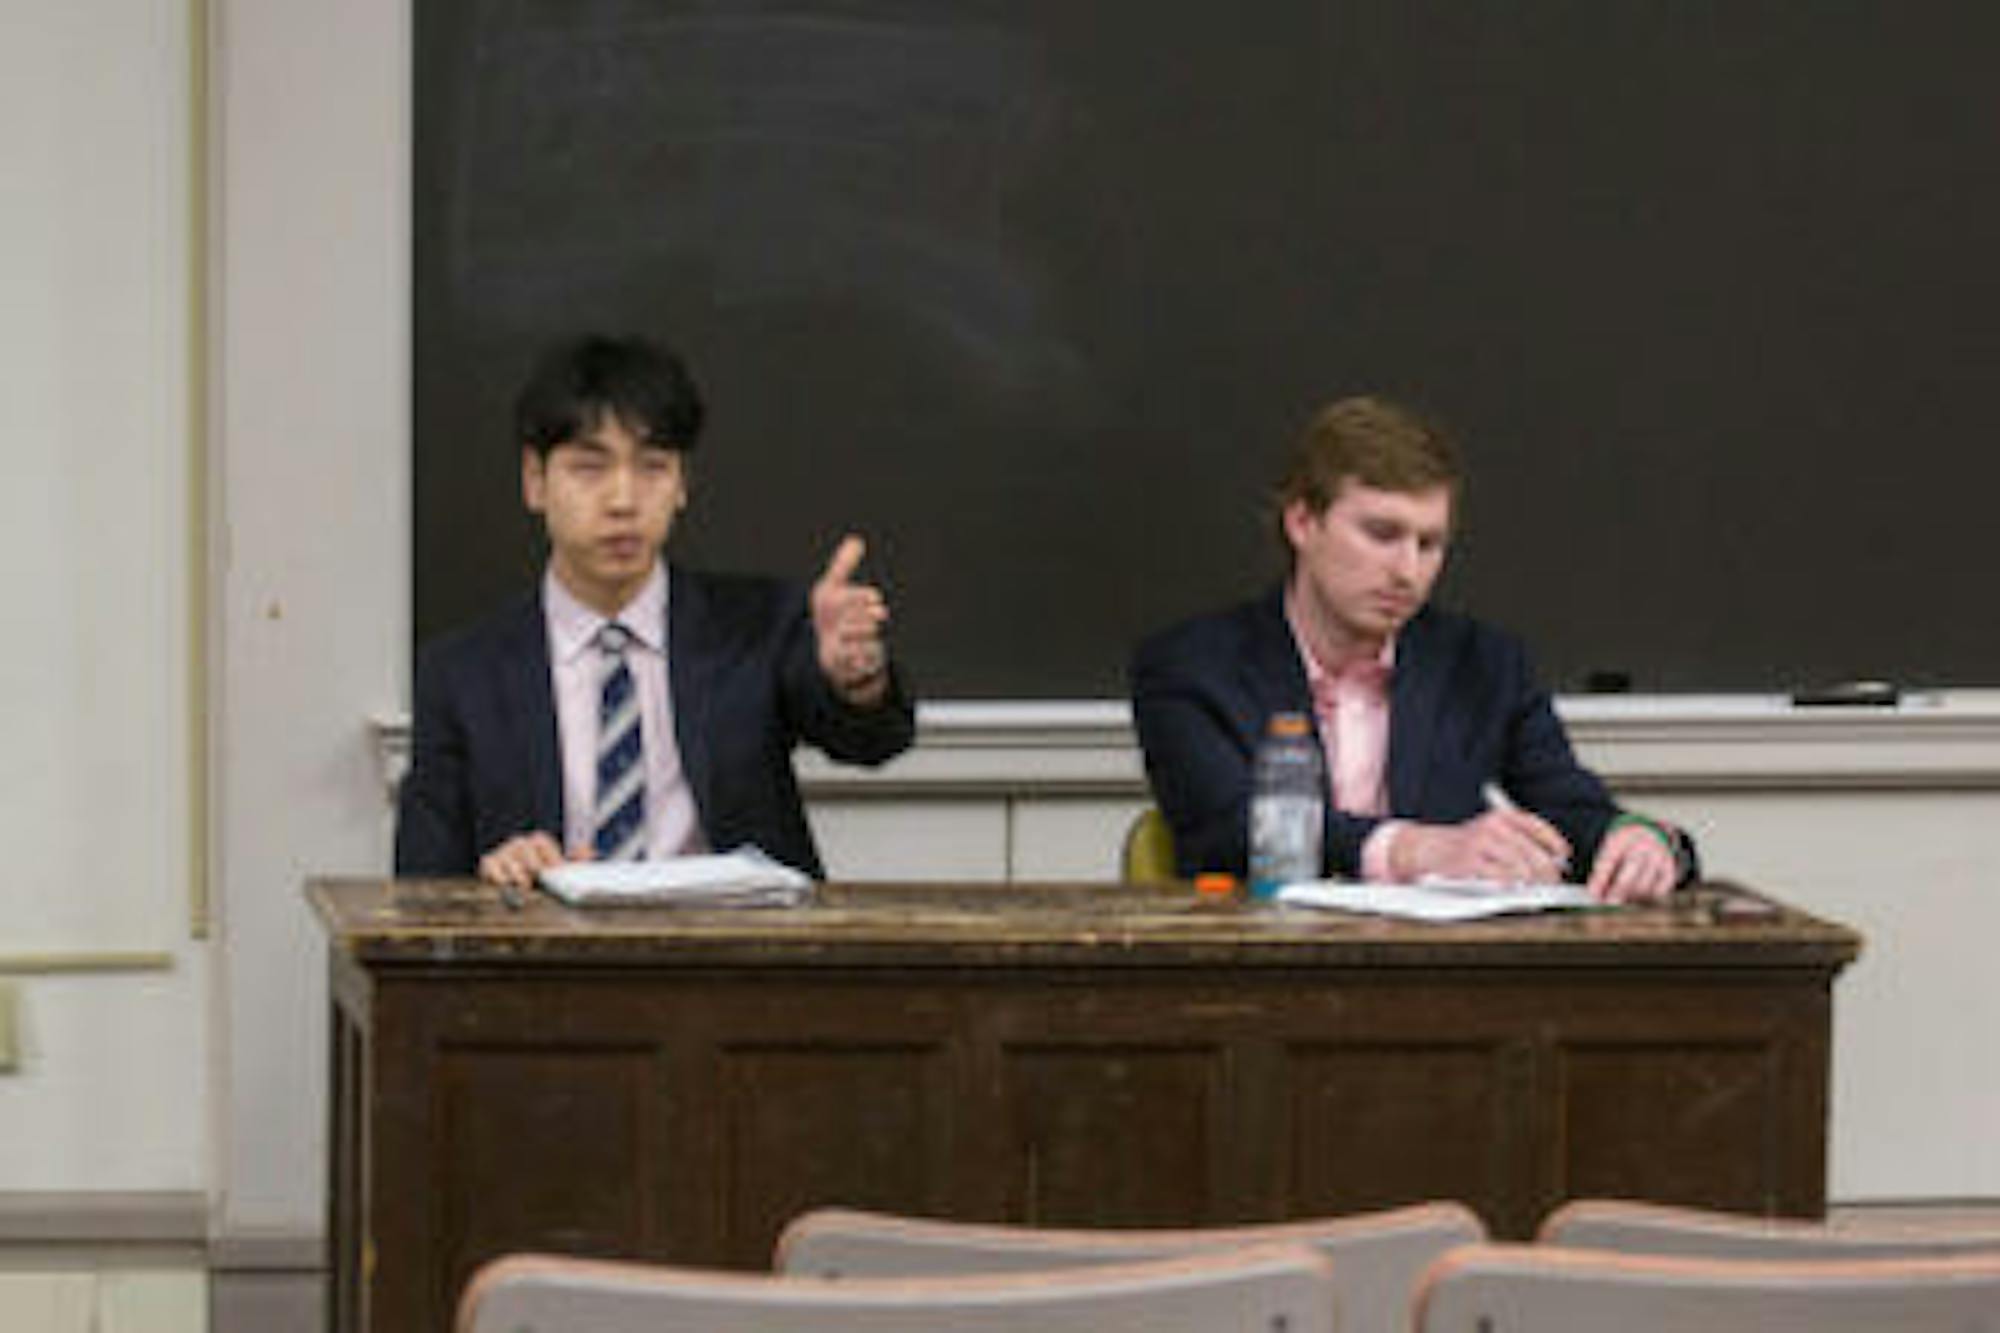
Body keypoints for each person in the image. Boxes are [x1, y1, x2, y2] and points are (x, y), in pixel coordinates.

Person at [1129, 395, 1695, 902]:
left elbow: (1568, 807)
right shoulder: (1190, 666)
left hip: (1436, 986)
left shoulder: (1483, 662)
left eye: (1430, 544)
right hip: (1256, 977)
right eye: (1382, 534)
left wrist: (1638, 838)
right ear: (1302, 521)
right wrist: (1413, 850)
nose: (1408, 571)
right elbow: (1224, 829)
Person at [395, 334, 915, 886]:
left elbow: (872, 742)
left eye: (652, 467)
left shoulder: (756, 626)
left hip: (735, 959)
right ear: (534, 480)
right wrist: (496, 878)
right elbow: (421, 886)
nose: (623, 500)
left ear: (682, 483)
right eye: (590, 469)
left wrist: (855, 680)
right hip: (551, 963)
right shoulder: (462, 672)